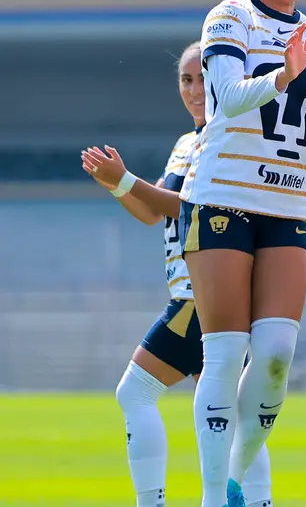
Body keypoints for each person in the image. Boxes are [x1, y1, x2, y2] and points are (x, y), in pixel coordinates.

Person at [177, 0, 306, 507]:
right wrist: (284, 74)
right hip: (222, 197)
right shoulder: (231, 18)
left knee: (275, 358)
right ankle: (211, 497)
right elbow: (225, 98)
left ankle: (235, 479)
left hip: (286, 207)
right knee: (223, 355)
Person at [81, 42, 273, 507]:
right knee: (226, 415)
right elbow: (155, 214)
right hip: (200, 292)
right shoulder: (189, 142)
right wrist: (116, 186)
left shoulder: (227, 134)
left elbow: (190, 206)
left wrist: (125, 180)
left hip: (198, 295)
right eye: (185, 80)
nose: (193, 89)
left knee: (135, 392)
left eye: (203, 78)